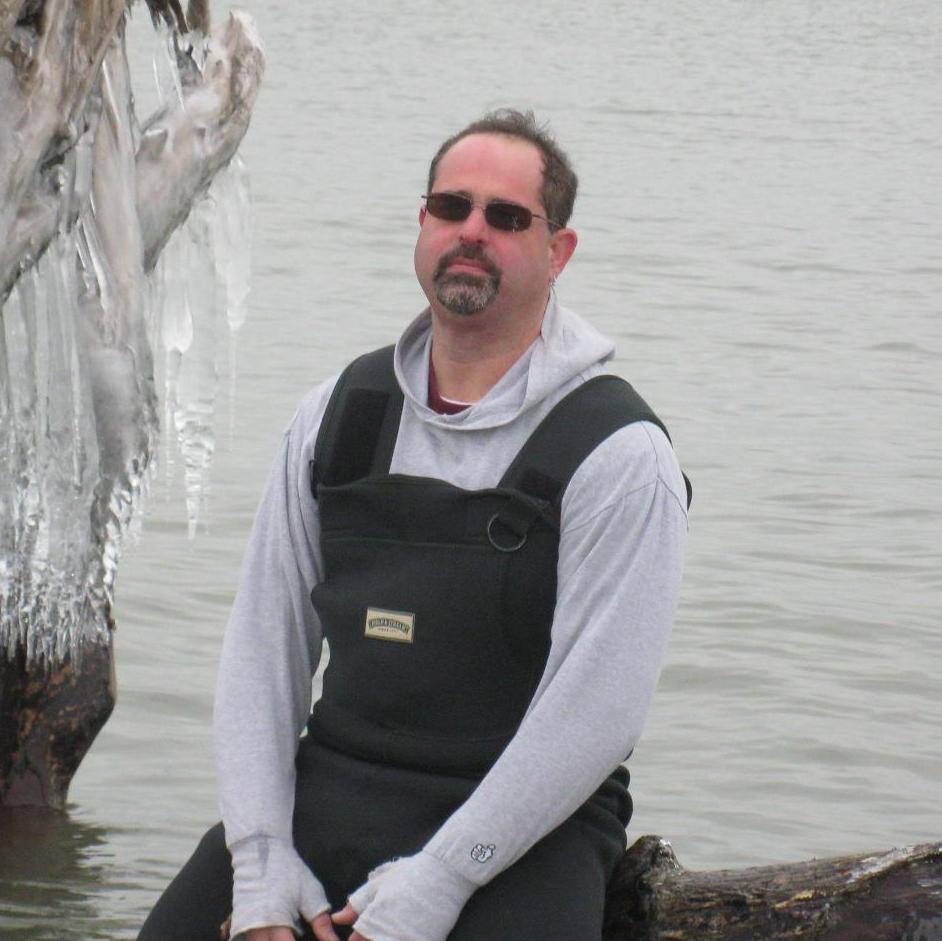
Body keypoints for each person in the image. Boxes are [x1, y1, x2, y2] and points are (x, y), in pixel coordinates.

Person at [138, 108, 689, 941]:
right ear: (422, 223)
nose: (472, 232)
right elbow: (262, 650)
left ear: (558, 251)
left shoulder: (618, 451)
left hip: (527, 832)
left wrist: (442, 878)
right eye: (451, 206)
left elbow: (598, 714)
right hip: (332, 789)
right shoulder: (338, 415)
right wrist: (259, 858)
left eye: (507, 217)